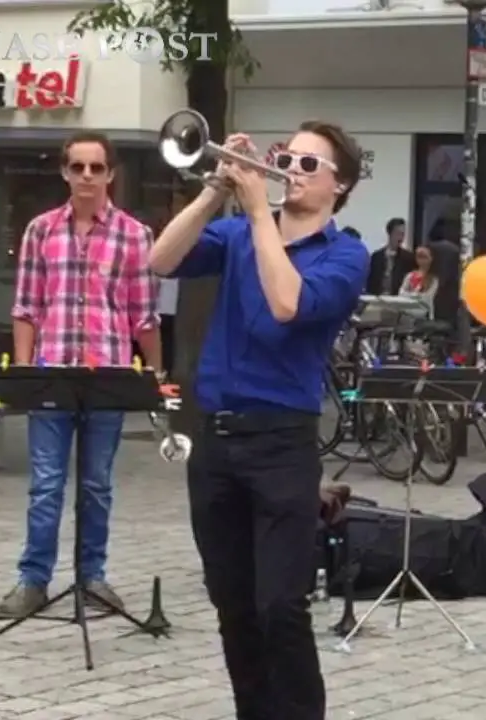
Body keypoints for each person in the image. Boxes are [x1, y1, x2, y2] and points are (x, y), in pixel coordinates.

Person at [148, 120, 368, 719]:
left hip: (281, 446)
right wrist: (214, 190)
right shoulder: (240, 232)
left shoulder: (347, 255)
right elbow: (160, 259)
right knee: (232, 604)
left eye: (308, 164)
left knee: (281, 606)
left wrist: (255, 212)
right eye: (286, 157)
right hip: (215, 441)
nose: (290, 169)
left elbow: (287, 302)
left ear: (339, 185)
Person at [0, 131, 161, 620]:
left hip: (107, 377)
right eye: (78, 167)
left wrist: (155, 376)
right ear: (65, 172)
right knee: (46, 485)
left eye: (96, 167)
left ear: (111, 174)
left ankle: (92, 578)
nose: (87, 175)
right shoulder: (40, 231)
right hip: (51, 377)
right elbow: (26, 307)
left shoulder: (135, 235)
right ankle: (33, 581)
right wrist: (25, 375)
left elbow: (144, 316)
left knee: (96, 486)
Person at [366, 217, 415, 295]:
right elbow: (371, 283)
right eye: (398, 233)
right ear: (390, 233)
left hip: (398, 299)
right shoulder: (376, 257)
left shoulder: (408, 258)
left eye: (403, 234)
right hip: (378, 298)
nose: (401, 238)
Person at [400, 244, 440, 318]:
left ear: (431, 258)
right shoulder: (410, 275)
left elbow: (427, 297)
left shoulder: (433, 279)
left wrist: (411, 295)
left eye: (424, 257)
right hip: (406, 313)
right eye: (419, 257)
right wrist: (415, 295)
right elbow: (401, 293)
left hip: (423, 314)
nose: (422, 260)